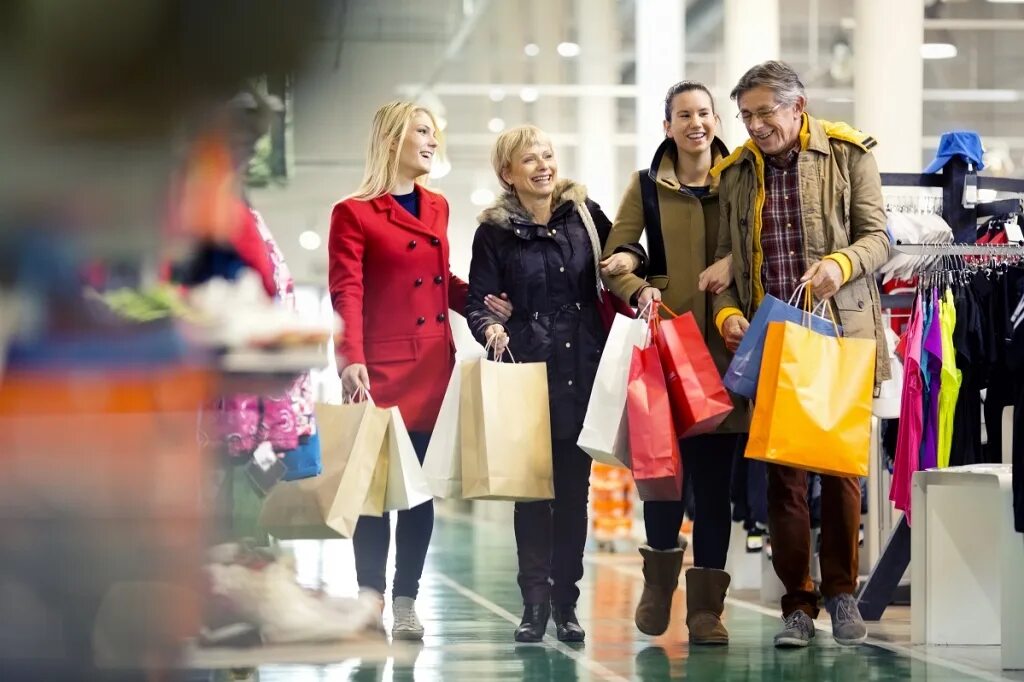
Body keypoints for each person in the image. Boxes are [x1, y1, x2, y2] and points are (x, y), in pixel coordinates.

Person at [711, 61, 891, 648]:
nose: (757, 126)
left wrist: (840, 265)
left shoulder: (847, 154)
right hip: (776, 341)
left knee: (841, 471)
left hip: (839, 336)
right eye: (746, 116)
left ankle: (842, 594)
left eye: (766, 112)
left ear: (798, 106)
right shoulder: (736, 172)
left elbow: (878, 237)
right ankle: (797, 605)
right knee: (783, 476)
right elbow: (728, 257)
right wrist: (728, 314)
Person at [328, 101, 511, 640]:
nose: (434, 142)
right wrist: (350, 359)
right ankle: (369, 602)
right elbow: (347, 290)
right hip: (378, 371)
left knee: (418, 493)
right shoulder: (354, 212)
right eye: (423, 132)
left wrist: (479, 301)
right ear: (392, 140)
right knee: (374, 494)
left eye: (436, 134)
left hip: (431, 364)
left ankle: (405, 601)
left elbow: (438, 277)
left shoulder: (437, 206)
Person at [465, 125, 626, 644]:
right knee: (532, 494)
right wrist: (489, 326)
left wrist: (632, 262)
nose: (543, 165)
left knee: (573, 494)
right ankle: (533, 605)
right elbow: (478, 300)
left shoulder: (584, 214)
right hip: (528, 371)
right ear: (507, 174)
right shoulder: (493, 232)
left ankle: (567, 603)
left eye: (548, 155)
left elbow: (624, 255)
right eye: (528, 159)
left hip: (584, 365)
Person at [601, 80, 747, 646]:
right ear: (667, 126)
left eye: (704, 113)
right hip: (663, 355)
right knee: (662, 479)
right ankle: (659, 585)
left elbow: (755, 242)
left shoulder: (741, 177)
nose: (696, 124)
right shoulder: (645, 186)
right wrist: (639, 289)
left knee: (714, 489)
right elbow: (615, 260)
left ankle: (707, 610)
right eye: (683, 115)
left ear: (716, 120)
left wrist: (734, 263)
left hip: (725, 352)